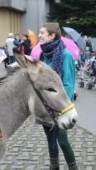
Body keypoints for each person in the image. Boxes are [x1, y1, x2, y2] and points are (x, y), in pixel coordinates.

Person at [38, 22, 77, 170]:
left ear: (52, 35)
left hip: (60, 107)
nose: (39, 35)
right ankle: (54, 167)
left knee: (62, 140)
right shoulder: (43, 55)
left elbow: (68, 84)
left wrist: (60, 108)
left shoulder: (65, 55)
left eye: (42, 33)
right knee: (50, 140)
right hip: (45, 105)